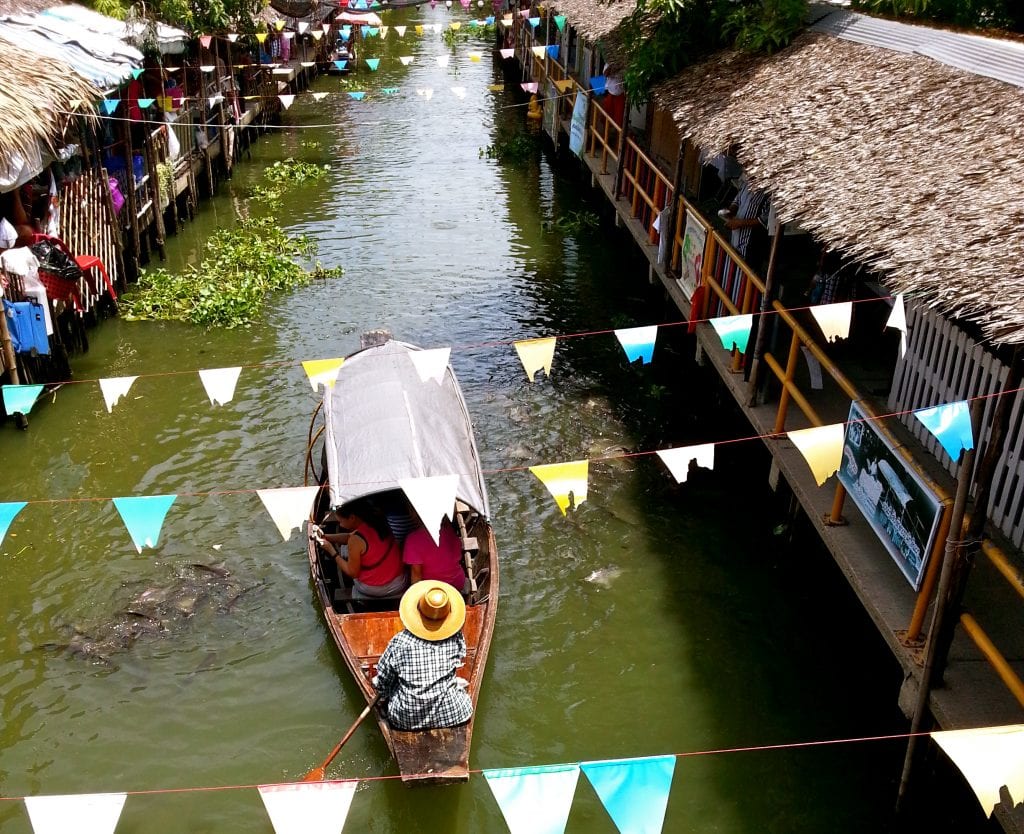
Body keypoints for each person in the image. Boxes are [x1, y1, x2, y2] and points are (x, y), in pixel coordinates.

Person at [372, 580, 472, 731]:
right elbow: (459, 659)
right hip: (455, 714)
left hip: (405, 721)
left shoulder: (400, 642)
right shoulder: (456, 637)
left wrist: (385, 694)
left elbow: (383, 683)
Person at [311, 498, 407, 599]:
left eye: (341, 521)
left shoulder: (356, 540)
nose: (340, 524)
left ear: (352, 518)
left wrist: (331, 550)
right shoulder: (378, 522)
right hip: (398, 583)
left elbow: (353, 573)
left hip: (373, 589)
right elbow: (349, 536)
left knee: (350, 557)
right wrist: (326, 537)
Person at [402, 517, 469, 593]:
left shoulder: (413, 539)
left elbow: (416, 575)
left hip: (431, 589)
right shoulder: (450, 531)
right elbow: (458, 556)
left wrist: (416, 596)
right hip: (457, 583)